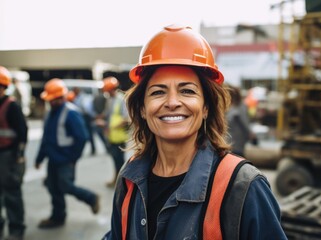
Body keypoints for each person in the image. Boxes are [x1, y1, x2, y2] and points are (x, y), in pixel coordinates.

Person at [103, 25, 286, 240]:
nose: (172, 102)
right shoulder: (130, 178)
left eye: (187, 91)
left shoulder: (243, 186)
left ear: (206, 107)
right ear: (142, 109)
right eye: (158, 92)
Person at [34, 78, 100, 229]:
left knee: (65, 186)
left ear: (61, 97)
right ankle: (58, 217)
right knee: (53, 188)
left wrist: (72, 158)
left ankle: (91, 198)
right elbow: (46, 138)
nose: (50, 102)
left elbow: (82, 138)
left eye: (53, 99)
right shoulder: (50, 114)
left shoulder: (71, 113)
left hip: (65, 160)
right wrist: (39, 158)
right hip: (53, 159)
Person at [0, 66, 28, 240]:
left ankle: (16, 229)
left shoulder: (11, 107)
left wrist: (19, 155)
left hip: (8, 157)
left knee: (11, 194)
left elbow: (22, 132)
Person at [100, 77, 129, 188]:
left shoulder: (122, 100)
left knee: (119, 161)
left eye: (108, 91)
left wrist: (113, 127)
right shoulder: (110, 100)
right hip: (112, 136)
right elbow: (108, 115)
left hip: (120, 136)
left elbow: (126, 119)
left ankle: (121, 182)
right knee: (115, 160)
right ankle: (118, 180)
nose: (107, 94)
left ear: (112, 89)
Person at [226, 84, 254, 157]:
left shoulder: (241, 106)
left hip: (237, 139)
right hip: (230, 140)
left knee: (237, 157)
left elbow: (245, 122)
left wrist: (250, 134)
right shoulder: (231, 106)